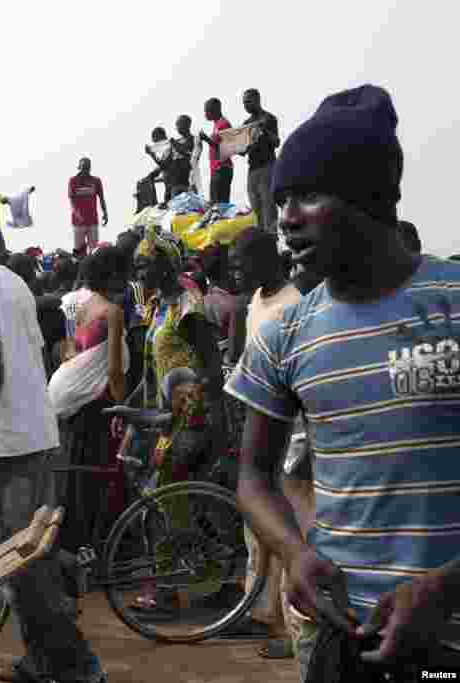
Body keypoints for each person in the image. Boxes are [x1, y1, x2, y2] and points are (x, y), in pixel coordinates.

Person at [227, 85, 460, 679]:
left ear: (367, 199)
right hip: (344, 638)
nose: (286, 217)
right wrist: (296, 553)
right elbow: (253, 477)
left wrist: (445, 587)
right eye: (282, 199)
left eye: (307, 195)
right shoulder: (285, 334)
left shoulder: (452, 304)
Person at [0, 206, 106, 683]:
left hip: (4, 443)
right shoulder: (12, 280)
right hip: (36, 433)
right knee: (35, 560)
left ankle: (79, 665)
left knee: (15, 567)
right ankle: (41, 661)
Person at [128, 225, 230, 614]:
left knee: (168, 501)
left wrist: (204, 419)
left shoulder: (188, 306)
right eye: (137, 265)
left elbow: (212, 366)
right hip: (166, 422)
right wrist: (131, 410)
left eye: (145, 264)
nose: (139, 272)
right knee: (171, 504)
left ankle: (174, 588)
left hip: (191, 422)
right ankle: (200, 579)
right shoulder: (157, 307)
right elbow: (153, 372)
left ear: (167, 265)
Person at [226, 227, 299, 659]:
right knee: (258, 529)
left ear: (265, 260)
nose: (236, 273)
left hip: (290, 437)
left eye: (241, 265)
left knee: (288, 529)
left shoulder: (292, 304)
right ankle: (261, 612)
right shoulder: (255, 301)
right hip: (260, 427)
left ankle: (293, 628)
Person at [55, 246, 129, 555]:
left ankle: (77, 544)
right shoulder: (112, 313)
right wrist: (123, 409)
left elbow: (69, 353)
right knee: (104, 476)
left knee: (80, 476)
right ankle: (107, 546)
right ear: (112, 276)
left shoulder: (79, 308)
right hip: (100, 407)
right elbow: (114, 371)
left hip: (75, 406)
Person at [242, 89, 281, 232]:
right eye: (244, 103)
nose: (245, 105)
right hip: (252, 170)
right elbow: (243, 151)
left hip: (267, 167)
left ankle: (271, 241)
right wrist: (232, 143)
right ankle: (260, 241)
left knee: (269, 208)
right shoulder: (246, 123)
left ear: (257, 100)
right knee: (256, 209)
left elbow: (276, 142)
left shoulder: (269, 118)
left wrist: (264, 129)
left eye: (248, 101)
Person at [69, 157, 108, 257]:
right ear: (79, 168)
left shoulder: (96, 181)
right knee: (79, 252)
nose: (85, 170)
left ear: (89, 168)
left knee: (94, 251)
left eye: (87, 168)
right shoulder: (73, 181)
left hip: (92, 221)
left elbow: (101, 198)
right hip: (78, 223)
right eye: (83, 168)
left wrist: (105, 213)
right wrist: (77, 214)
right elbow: (71, 201)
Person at [198, 98, 234, 204]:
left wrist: (206, 139)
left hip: (222, 168)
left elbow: (228, 147)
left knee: (219, 204)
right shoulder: (217, 124)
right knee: (215, 202)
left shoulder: (224, 124)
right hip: (217, 169)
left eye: (207, 111)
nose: (205, 114)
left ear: (216, 109)